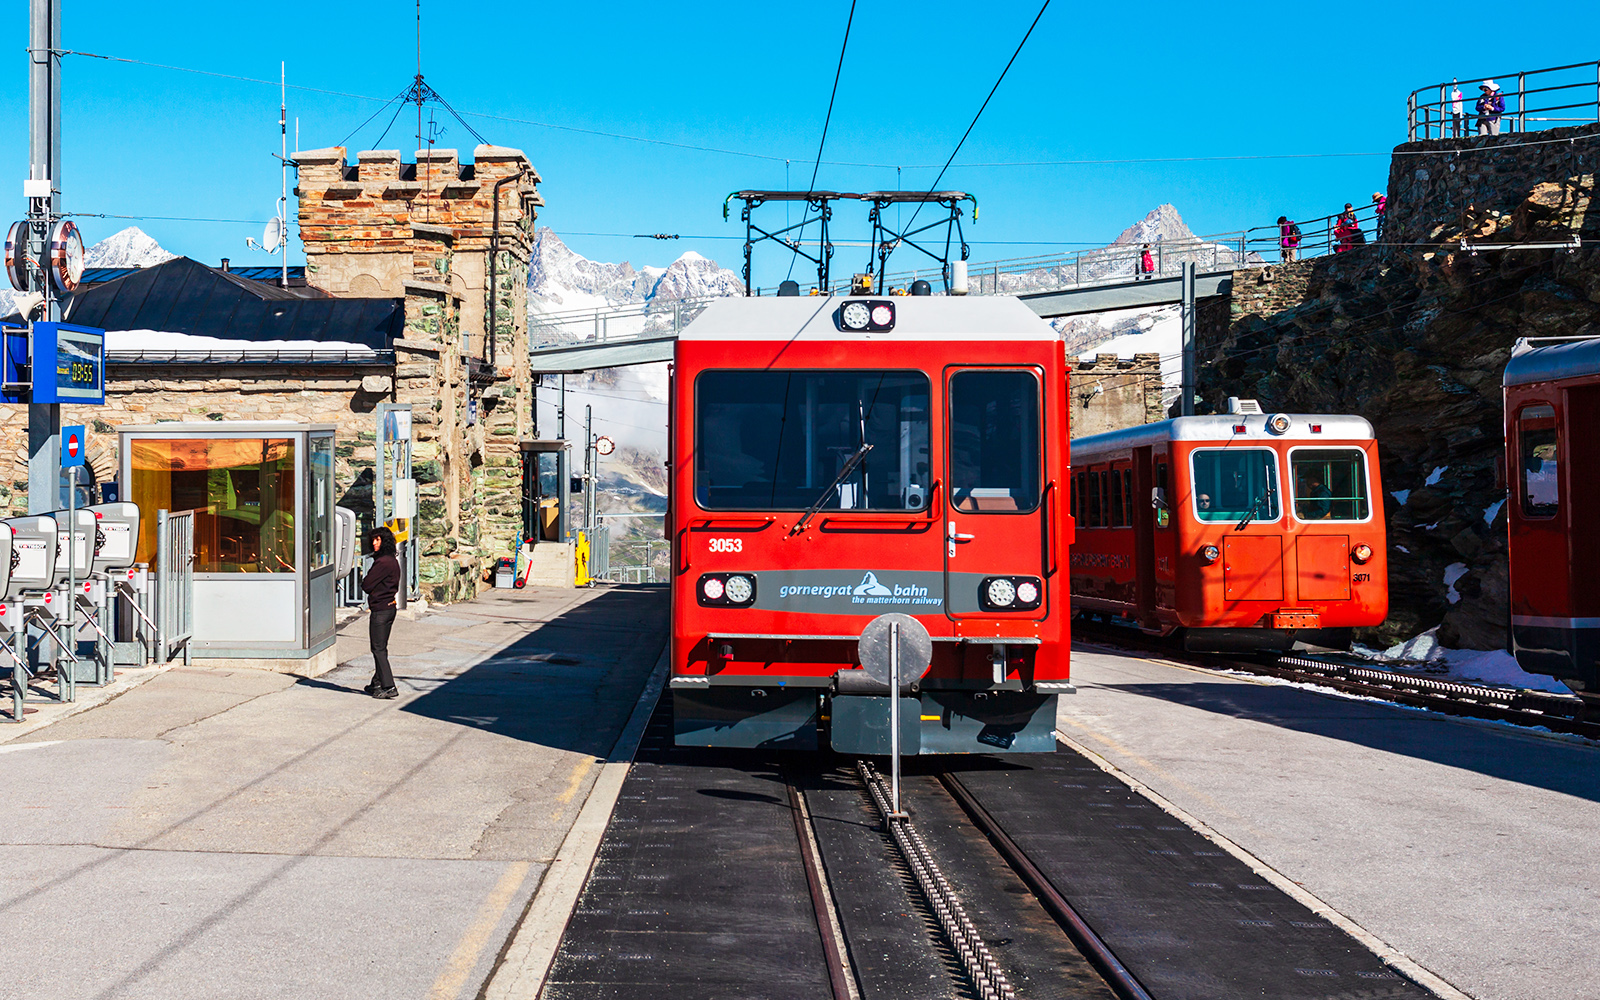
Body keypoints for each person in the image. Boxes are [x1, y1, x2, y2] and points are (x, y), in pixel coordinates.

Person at [361, 527, 401, 699]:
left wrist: (367, 579)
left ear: (385, 542)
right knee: (381, 647)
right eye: (373, 540)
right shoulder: (391, 560)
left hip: (381, 610)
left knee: (378, 649)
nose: (374, 543)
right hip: (389, 607)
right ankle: (376, 682)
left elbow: (367, 585)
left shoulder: (383, 562)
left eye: (378, 540)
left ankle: (389, 686)